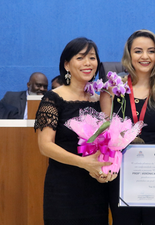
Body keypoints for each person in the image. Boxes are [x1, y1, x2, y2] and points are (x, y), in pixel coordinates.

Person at [34, 37, 117, 225]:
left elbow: (108, 142)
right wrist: (83, 163)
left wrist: (107, 168)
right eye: (80, 58)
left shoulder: (101, 99)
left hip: (95, 190)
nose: (88, 63)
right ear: (67, 64)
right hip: (64, 189)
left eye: (92, 57)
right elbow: (45, 146)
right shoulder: (53, 98)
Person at [101, 29, 155, 225]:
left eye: (151, 51)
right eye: (138, 51)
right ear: (129, 55)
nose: (145, 56)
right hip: (121, 176)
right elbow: (104, 137)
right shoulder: (112, 89)